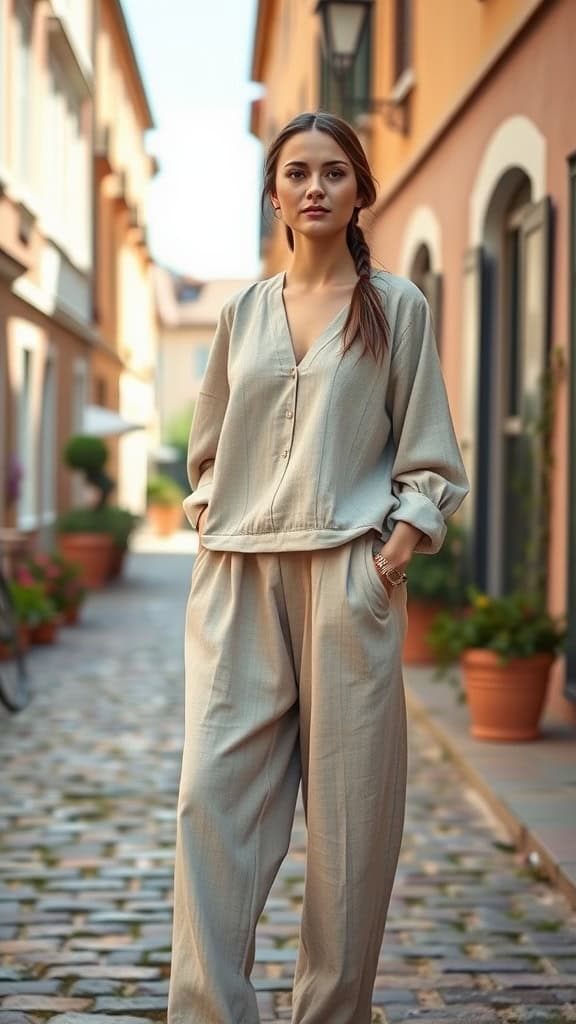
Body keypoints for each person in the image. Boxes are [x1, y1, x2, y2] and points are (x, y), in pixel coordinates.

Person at [167, 111, 469, 1024]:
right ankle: (212, 1012)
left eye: (333, 172)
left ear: (359, 189)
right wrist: (211, 510)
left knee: (350, 827)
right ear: (273, 194)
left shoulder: (398, 307)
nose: (314, 187)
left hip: (348, 575)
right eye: (296, 172)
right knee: (210, 805)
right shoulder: (241, 313)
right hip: (240, 579)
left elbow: (431, 457)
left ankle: (331, 1014)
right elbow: (209, 448)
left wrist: (395, 550)